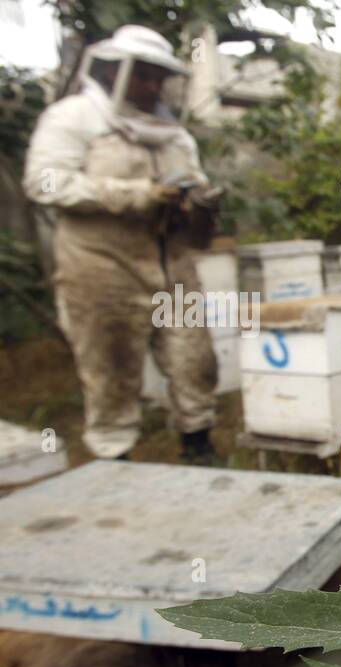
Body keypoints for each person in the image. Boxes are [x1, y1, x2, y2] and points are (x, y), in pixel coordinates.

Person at [23, 25, 222, 463]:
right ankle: (117, 463)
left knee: (196, 362)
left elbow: (192, 183)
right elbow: (44, 181)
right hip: (102, 270)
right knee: (111, 370)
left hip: (175, 269)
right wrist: (136, 193)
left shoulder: (175, 136)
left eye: (158, 77)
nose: (152, 86)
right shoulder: (72, 118)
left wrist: (199, 201)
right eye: (143, 75)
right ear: (114, 71)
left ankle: (198, 447)